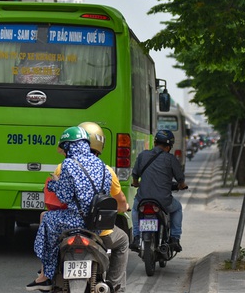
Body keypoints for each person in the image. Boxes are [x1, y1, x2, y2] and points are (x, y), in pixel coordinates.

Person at [28, 126, 111, 292]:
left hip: (75, 220)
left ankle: (46, 274)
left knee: (46, 219)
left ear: (69, 146)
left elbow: (65, 197)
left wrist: (54, 184)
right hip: (96, 223)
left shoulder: (69, 164)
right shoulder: (103, 166)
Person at [78, 122, 130, 293]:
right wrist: (124, 207)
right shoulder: (106, 170)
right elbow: (120, 201)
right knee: (122, 240)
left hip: (68, 228)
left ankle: (47, 276)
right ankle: (116, 286)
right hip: (98, 232)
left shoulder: (62, 167)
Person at [130, 129, 187, 252]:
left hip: (142, 200)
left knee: (135, 209)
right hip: (163, 201)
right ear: (168, 147)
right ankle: (175, 239)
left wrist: (136, 184)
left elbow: (135, 175)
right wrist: (181, 185)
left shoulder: (143, 155)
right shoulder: (170, 159)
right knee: (177, 208)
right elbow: (180, 179)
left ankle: (136, 237)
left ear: (155, 143)